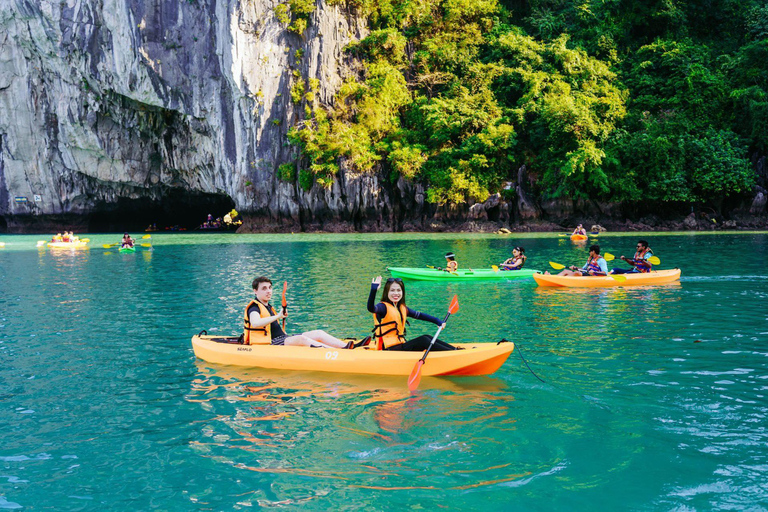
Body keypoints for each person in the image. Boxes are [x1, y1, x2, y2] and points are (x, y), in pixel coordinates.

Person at [244, 276, 352, 349]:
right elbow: (255, 323)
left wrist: (280, 316)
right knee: (301, 339)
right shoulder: (254, 307)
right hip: (271, 343)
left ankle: (346, 346)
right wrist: (278, 316)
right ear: (255, 291)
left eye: (270, 288)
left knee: (318, 333)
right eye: (264, 288)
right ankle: (335, 352)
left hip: (282, 338)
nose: (268, 291)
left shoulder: (267, 306)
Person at [367, 276, 458, 351]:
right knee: (423, 340)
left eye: (399, 290)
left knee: (427, 337)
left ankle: (455, 350)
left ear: (402, 292)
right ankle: (454, 353)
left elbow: (420, 315)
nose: (396, 293)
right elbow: (371, 308)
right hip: (389, 349)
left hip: (400, 345)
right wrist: (373, 290)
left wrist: (438, 321)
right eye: (392, 290)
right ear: (387, 292)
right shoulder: (382, 307)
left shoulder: (401, 307)